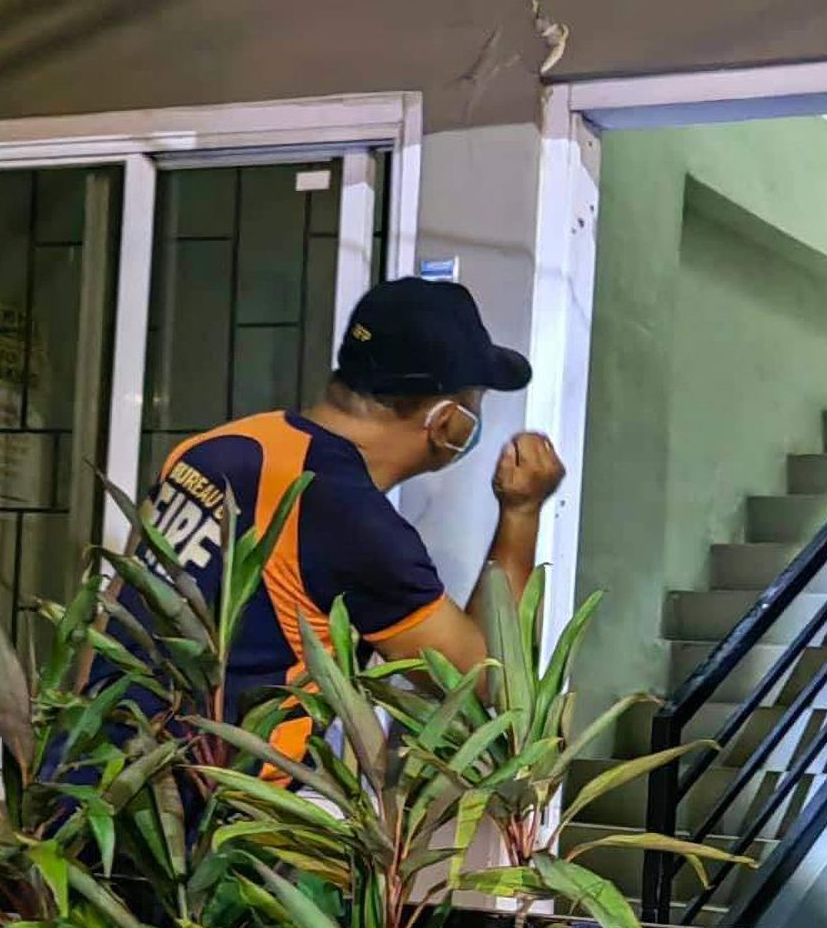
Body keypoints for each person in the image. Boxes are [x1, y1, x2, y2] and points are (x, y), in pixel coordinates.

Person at [88, 275, 563, 761]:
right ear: (447, 422)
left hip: (84, 778)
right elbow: (489, 686)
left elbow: (111, 609)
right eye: (474, 405)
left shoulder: (218, 447)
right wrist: (521, 511)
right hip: (195, 814)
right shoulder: (347, 515)